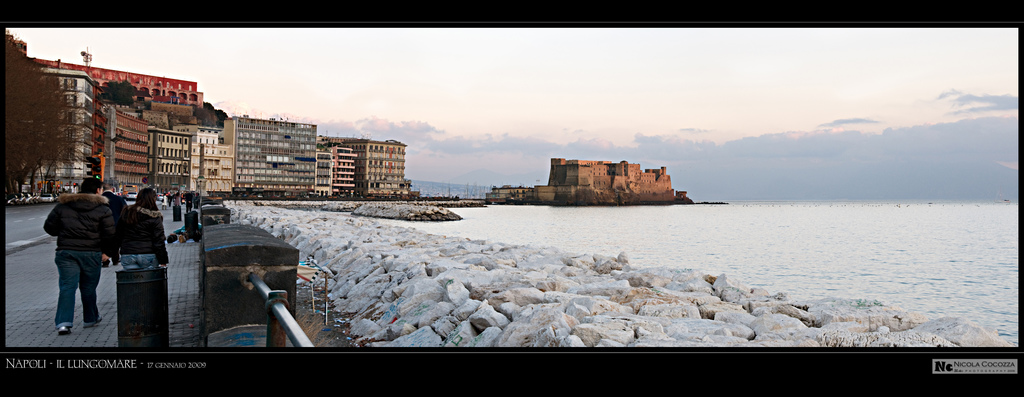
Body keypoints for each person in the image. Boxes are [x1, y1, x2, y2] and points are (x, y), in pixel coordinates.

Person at [43, 177, 117, 335]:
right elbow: (110, 234)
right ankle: (90, 318)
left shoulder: (63, 206)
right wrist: (107, 253)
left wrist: (64, 232)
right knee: (88, 288)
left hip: (67, 252)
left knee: (67, 287)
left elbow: (49, 227)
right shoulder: (103, 209)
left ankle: (63, 323)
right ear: (98, 190)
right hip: (91, 253)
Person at [116, 188, 169, 270]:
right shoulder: (154, 216)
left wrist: (112, 253)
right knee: (148, 280)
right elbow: (159, 240)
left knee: (131, 280)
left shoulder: (127, 212)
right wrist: (163, 260)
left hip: (128, 253)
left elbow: (118, 234)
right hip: (148, 254)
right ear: (153, 199)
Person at [101, 183, 128, 267]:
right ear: (112, 189)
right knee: (115, 242)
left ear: (102, 189)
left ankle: (105, 260)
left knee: (103, 242)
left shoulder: (100, 199)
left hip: (102, 225)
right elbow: (125, 211)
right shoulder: (119, 199)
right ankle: (115, 259)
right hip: (116, 224)